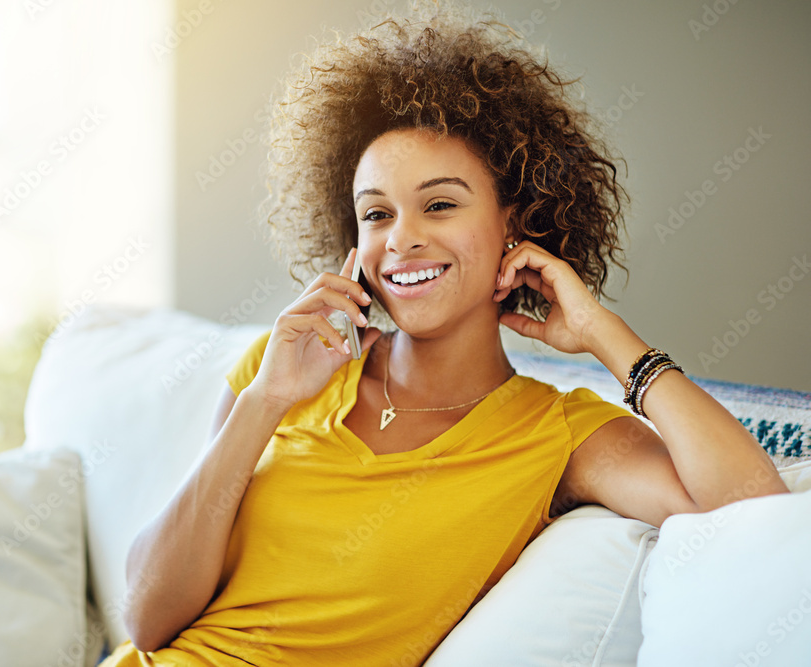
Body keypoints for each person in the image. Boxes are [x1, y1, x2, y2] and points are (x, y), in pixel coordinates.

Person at [101, 5, 789, 666]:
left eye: (439, 204)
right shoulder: (283, 374)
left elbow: (750, 510)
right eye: (376, 214)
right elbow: (147, 616)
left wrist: (606, 335)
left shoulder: (557, 433)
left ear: (513, 225)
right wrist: (263, 401)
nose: (401, 239)